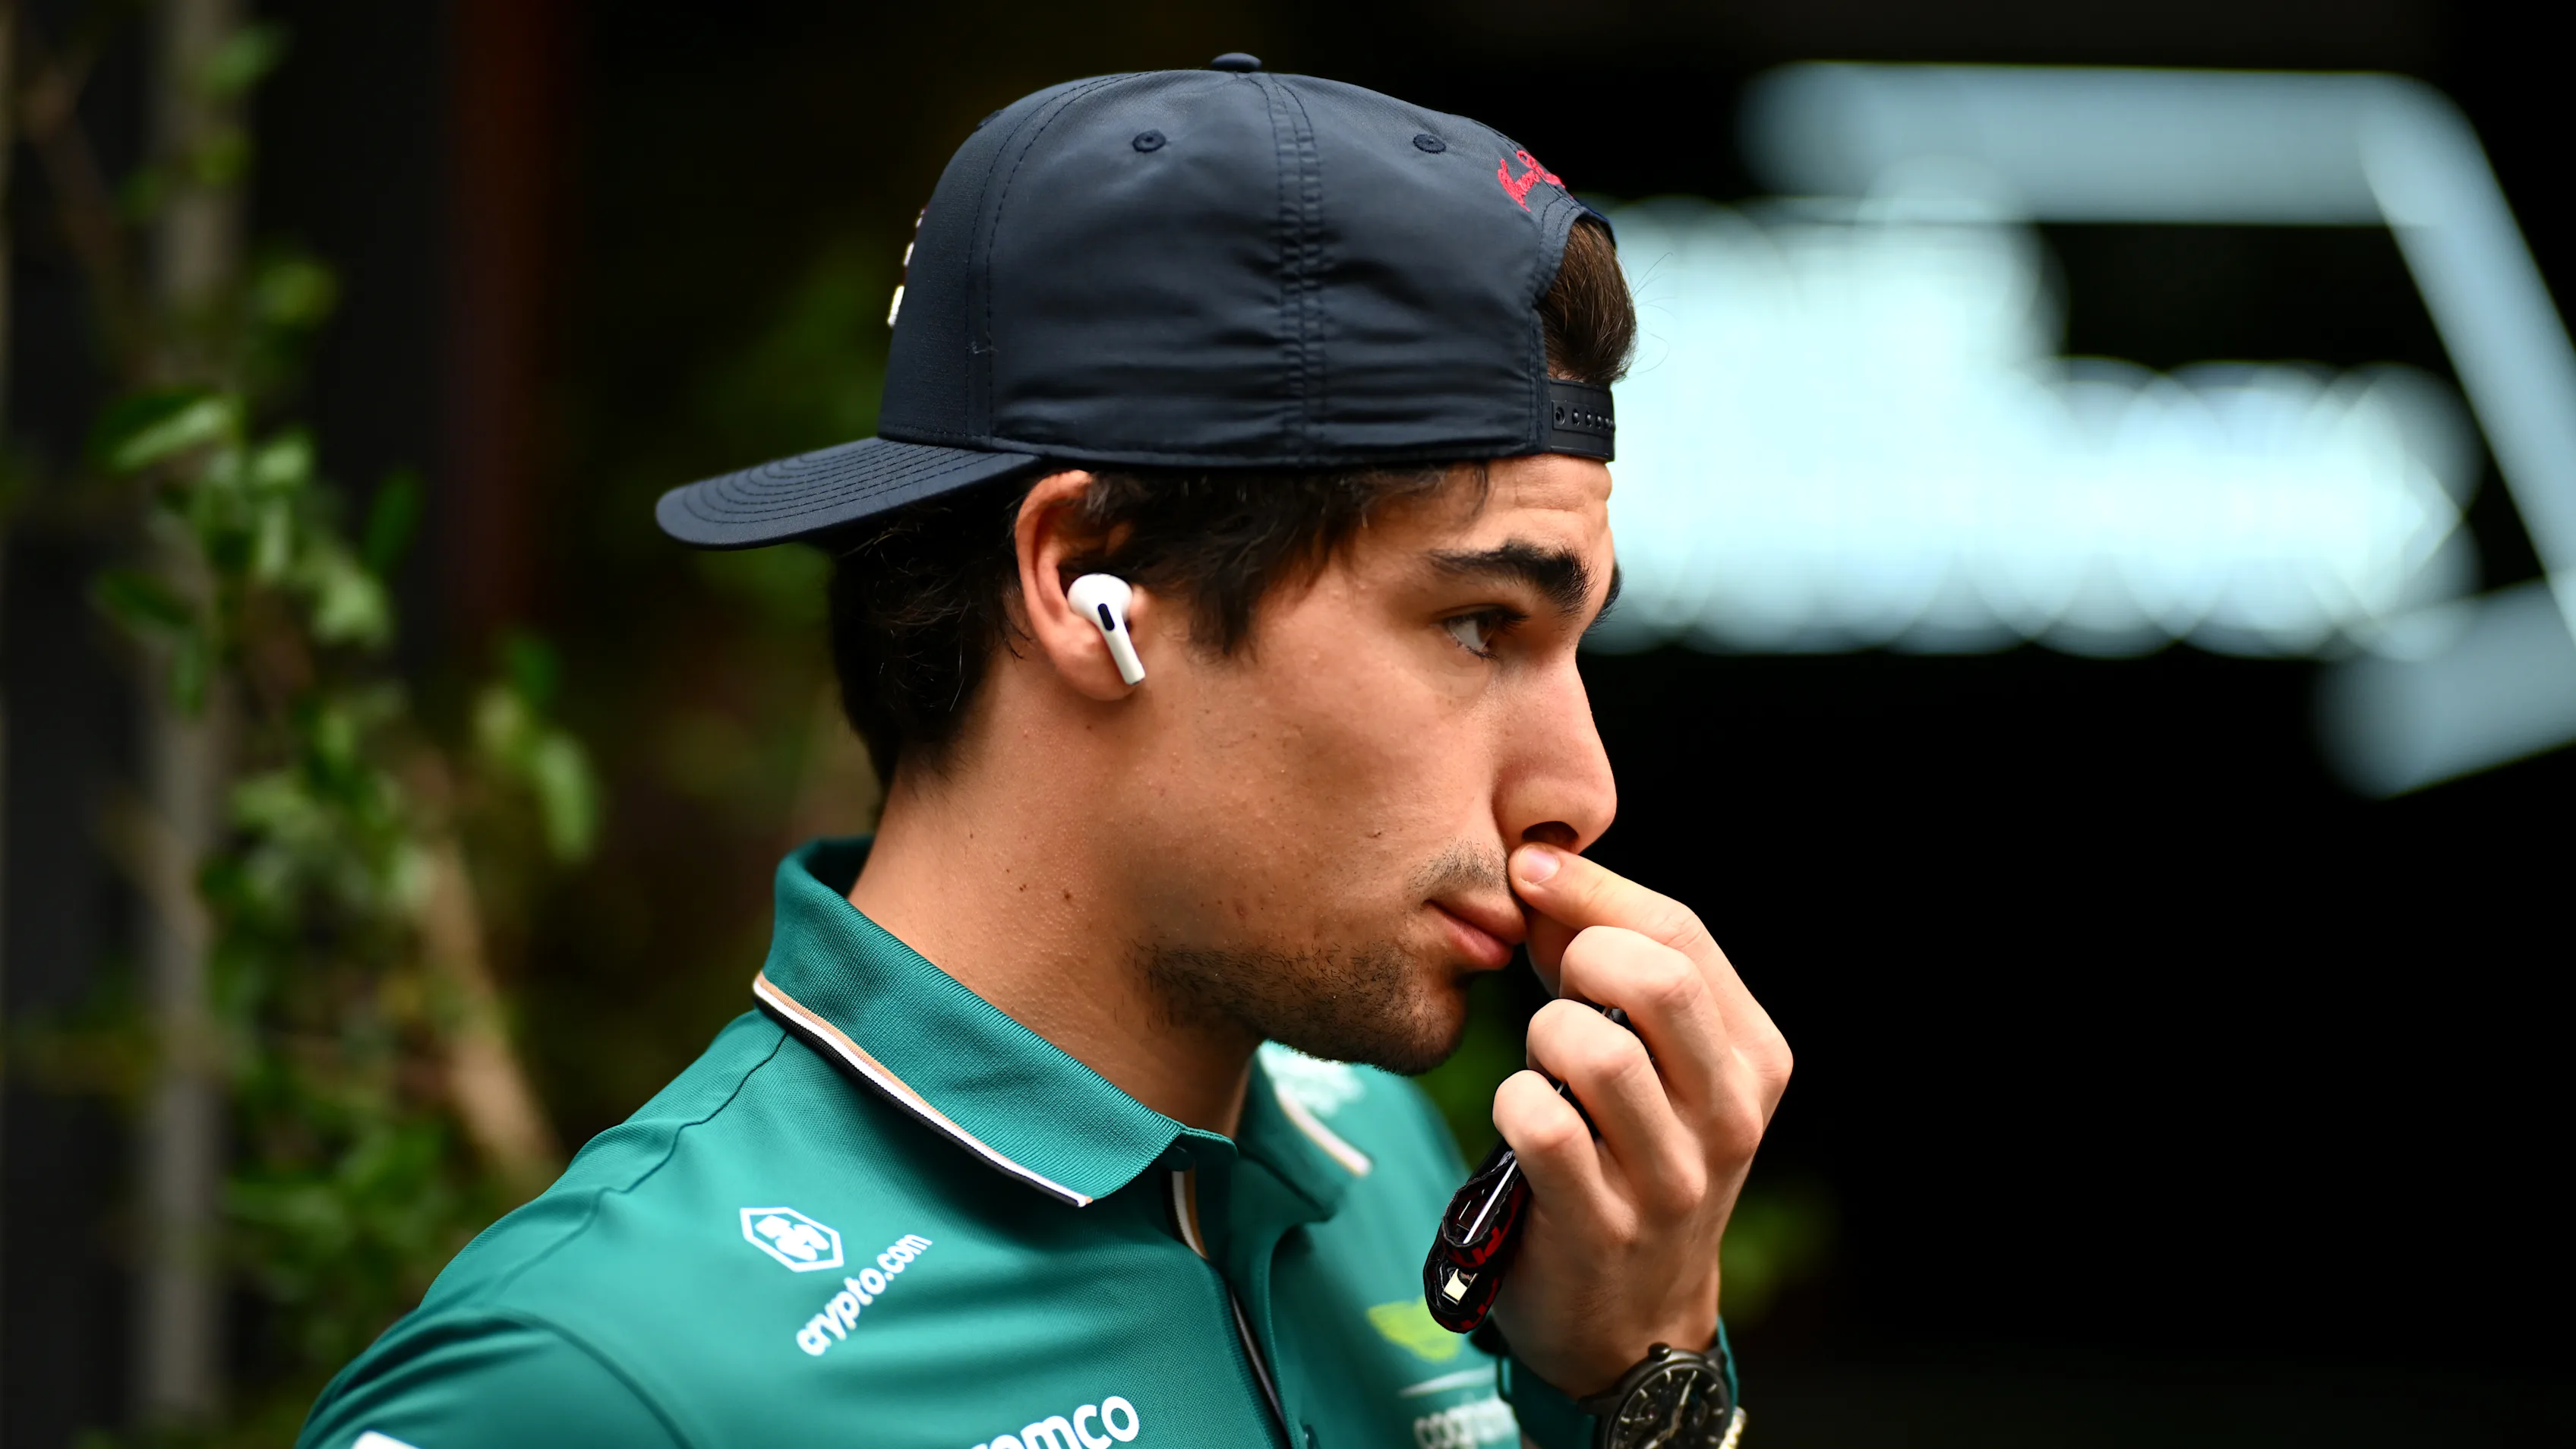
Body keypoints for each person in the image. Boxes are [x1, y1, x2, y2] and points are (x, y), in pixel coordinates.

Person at [298, 54, 1789, 1449]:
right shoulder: (597, 1376)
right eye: (1476, 624)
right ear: (1089, 582)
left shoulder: (1386, 1157)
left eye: (1569, 642)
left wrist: (1637, 1375)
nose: (1583, 790)